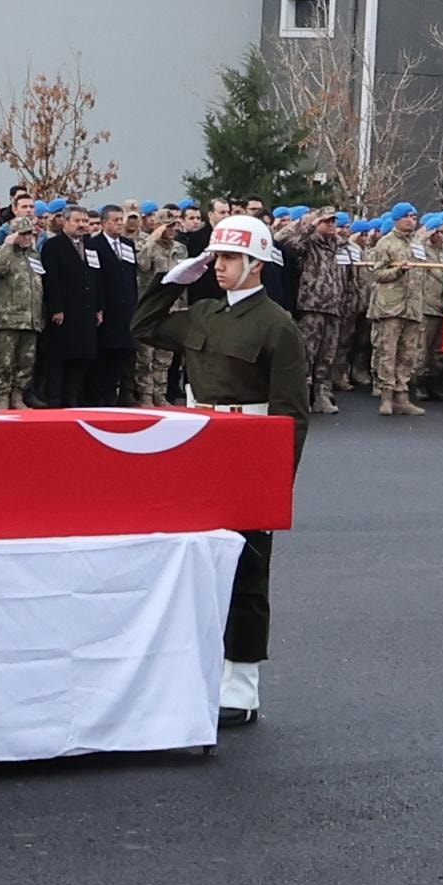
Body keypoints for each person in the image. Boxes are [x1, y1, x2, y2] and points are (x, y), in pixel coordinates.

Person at [140, 210, 313, 724]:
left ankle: (240, 687)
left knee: (248, 571)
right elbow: (143, 325)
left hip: (249, 447)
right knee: (193, 564)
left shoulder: (278, 325)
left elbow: (292, 413)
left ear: (257, 263)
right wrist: (173, 280)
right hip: (198, 443)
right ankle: (196, 674)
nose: (219, 266)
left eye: (231, 257)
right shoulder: (204, 313)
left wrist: (276, 479)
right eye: (216, 256)